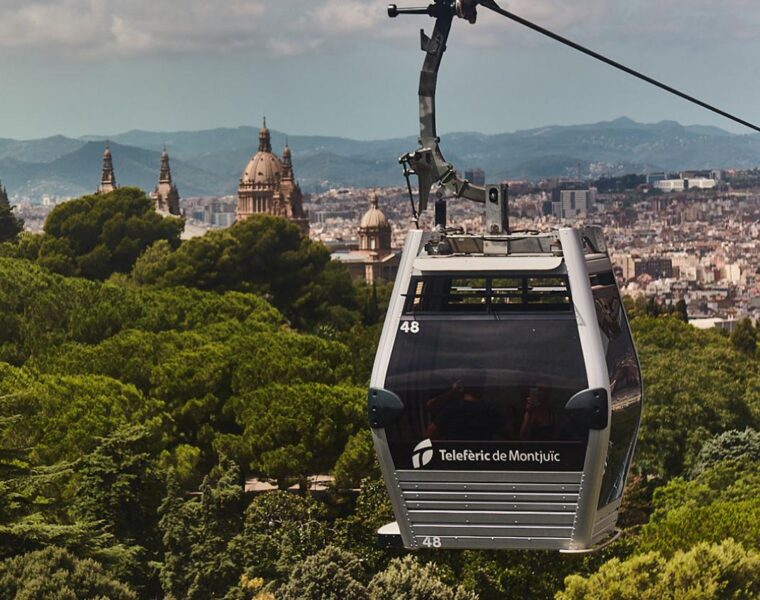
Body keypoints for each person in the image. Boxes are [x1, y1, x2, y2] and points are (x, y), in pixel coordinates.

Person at [425, 379, 500, 440]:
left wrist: (452, 391)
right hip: (485, 456)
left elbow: (429, 436)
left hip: (453, 456)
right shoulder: (490, 410)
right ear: (482, 388)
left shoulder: (451, 410)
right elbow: (508, 435)